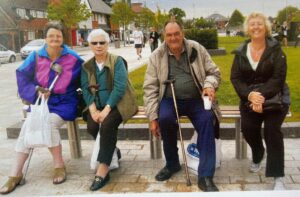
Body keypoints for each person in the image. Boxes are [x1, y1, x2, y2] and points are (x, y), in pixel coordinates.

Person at [0, 21, 83, 194]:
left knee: (49, 123)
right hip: (42, 102)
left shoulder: (73, 58)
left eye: (58, 36)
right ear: (45, 38)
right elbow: (22, 76)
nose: (55, 39)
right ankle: (15, 174)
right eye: (51, 36)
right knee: (28, 126)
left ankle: (59, 165)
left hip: (65, 102)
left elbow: (88, 76)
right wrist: (36, 90)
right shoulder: (36, 56)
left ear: (63, 38)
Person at [143, 20, 221, 192]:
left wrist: (209, 85)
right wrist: (152, 117)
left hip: (196, 99)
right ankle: (172, 164)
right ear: (164, 36)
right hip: (169, 99)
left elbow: (214, 72)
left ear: (182, 33)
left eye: (176, 33)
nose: (173, 38)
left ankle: (206, 175)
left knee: (208, 119)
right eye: (169, 35)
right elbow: (150, 88)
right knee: (165, 119)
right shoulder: (157, 55)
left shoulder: (196, 48)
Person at [230, 12, 291, 190]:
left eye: (259, 24)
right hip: (249, 99)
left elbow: (278, 79)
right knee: (248, 129)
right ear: (248, 29)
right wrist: (250, 96)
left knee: (272, 132)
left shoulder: (277, 50)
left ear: (266, 28)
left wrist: (259, 96)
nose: (256, 27)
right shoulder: (241, 52)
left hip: (275, 99)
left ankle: (278, 176)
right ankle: (258, 154)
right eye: (252, 24)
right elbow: (235, 78)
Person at [81, 29, 138, 191]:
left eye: (102, 42)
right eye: (94, 43)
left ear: (108, 44)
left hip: (119, 104)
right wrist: (93, 111)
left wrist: (105, 110)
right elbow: (85, 89)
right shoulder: (86, 66)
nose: (98, 46)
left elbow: (120, 88)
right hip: (96, 106)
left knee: (106, 125)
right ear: (90, 45)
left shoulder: (117, 61)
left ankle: (103, 169)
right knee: (92, 127)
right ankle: (113, 149)